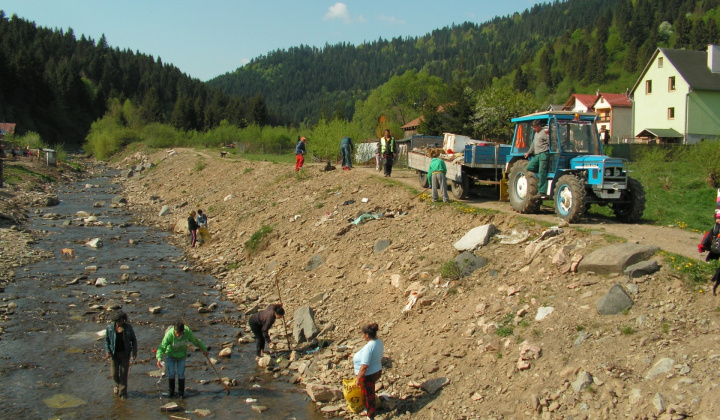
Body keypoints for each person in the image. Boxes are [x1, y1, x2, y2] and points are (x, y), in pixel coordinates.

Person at [156, 322, 209, 399]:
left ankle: (181, 393)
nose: (177, 335)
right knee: (171, 373)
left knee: (181, 373)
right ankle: (171, 392)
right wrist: (159, 358)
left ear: (183, 332)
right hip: (171, 355)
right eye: (176, 333)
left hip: (181, 356)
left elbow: (196, 341)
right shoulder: (169, 335)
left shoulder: (187, 333)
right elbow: (162, 346)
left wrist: (204, 349)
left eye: (179, 333)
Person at [104, 310, 137, 399]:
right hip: (114, 354)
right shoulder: (110, 328)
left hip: (125, 354)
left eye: (122, 321)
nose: (121, 323)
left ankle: (123, 393)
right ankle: (116, 385)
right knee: (114, 374)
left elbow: (133, 340)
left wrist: (134, 352)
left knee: (123, 374)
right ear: (115, 321)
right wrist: (107, 351)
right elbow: (106, 340)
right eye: (119, 321)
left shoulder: (128, 328)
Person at [353, 323, 384, 420]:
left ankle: (370, 416)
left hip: (369, 374)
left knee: (368, 395)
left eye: (363, 334)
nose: (362, 336)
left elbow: (364, 366)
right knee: (366, 392)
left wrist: (358, 378)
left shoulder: (369, 347)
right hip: (377, 370)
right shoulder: (378, 341)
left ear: (367, 335)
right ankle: (367, 410)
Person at [524, 120, 550, 197]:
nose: (534, 129)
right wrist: (529, 152)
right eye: (533, 127)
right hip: (537, 155)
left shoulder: (544, 133)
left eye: (535, 127)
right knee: (529, 167)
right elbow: (533, 144)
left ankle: (542, 191)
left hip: (544, 154)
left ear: (539, 126)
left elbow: (551, 143)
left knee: (542, 172)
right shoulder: (536, 133)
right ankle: (541, 178)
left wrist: (548, 135)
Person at [698, 206, 720, 295]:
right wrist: (702, 245)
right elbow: (708, 237)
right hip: (716, 245)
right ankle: (709, 269)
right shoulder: (716, 228)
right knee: (712, 256)